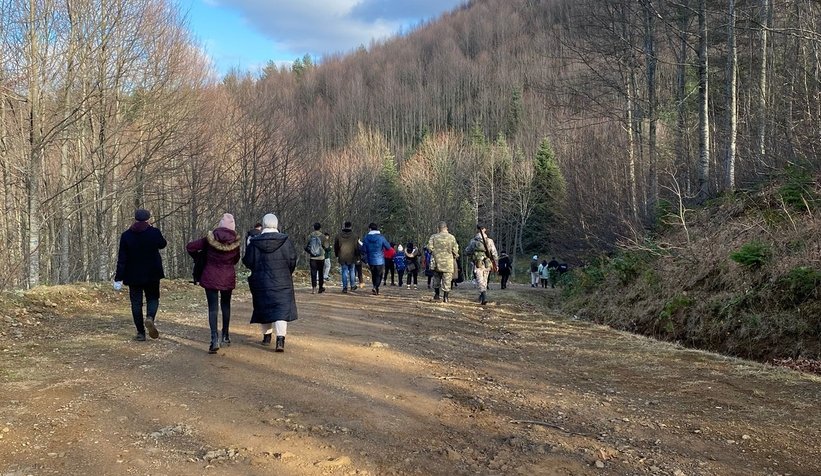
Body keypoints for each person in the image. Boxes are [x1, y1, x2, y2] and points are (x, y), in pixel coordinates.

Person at [186, 213, 241, 354]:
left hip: (210, 275)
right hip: (227, 276)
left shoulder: (209, 239)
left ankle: (214, 339)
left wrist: (199, 257)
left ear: (220, 225)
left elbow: (190, 247)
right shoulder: (235, 241)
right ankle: (226, 336)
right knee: (226, 306)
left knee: (212, 308)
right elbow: (236, 260)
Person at [243, 213, 297, 352]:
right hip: (282, 280)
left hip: (261, 280)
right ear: (276, 224)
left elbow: (248, 262)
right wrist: (286, 273)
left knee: (264, 307)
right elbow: (292, 260)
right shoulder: (286, 241)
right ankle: (280, 340)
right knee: (281, 310)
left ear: (264, 224)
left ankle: (266, 337)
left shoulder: (254, 242)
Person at [114, 208, 168, 341]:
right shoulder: (154, 232)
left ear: (135, 219)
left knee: (136, 303)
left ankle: (140, 333)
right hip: (152, 273)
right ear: (148, 219)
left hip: (133, 275)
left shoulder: (126, 235)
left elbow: (122, 258)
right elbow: (163, 244)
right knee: (153, 298)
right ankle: (150, 317)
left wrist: (118, 278)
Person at [464, 224, 499, 305]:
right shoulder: (490, 241)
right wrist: (496, 264)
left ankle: (483, 295)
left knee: (479, 280)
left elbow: (467, 251)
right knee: (485, 279)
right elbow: (494, 253)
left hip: (478, 263)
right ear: (485, 229)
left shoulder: (473, 241)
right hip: (487, 263)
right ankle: (483, 295)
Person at [426, 221, 459, 303]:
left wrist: (435, 252)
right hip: (448, 262)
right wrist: (455, 255)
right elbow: (455, 250)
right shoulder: (451, 237)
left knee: (436, 278)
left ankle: (437, 295)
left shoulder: (433, 237)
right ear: (446, 228)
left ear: (438, 228)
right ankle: (446, 297)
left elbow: (429, 248)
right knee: (447, 280)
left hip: (437, 261)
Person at [362, 223, 392, 295]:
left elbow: (363, 250)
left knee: (374, 274)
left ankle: (374, 286)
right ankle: (376, 287)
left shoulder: (366, 237)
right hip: (379, 260)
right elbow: (388, 247)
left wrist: (366, 258)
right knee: (379, 275)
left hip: (370, 260)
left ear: (370, 229)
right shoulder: (381, 238)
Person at [334, 221, 359, 293]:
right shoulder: (355, 236)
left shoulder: (338, 235)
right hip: (352, 256)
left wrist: (336, 255)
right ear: (351, 226)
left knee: (344, 271)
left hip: (342, 256)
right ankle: (353, 285)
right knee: (352, 270)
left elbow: (336, 246)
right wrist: (358, 256)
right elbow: (357, 247)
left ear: (344, 226)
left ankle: (345, 287)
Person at [305, 222, 329, 294]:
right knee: (321, 273)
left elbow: (305, 246)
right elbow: (327, 246)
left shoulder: (310, 236)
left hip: (312, 258)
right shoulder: (323, 236)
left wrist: (310, 252)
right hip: (321, 257)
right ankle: (320, 287)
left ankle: (314, 288)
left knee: (313, 273)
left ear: (314, 228)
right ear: (320, 228)